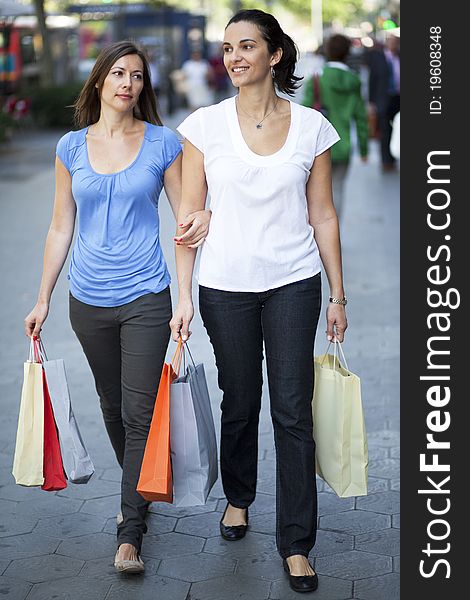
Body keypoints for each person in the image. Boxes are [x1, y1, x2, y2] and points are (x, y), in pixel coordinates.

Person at [170, 9, 348, 594]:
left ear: (274, 55)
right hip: (225, 286)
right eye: (228, 48)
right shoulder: (204, 126)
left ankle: (297, 544)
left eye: (247, 46)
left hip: (295, 282)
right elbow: (188, 218)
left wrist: (337, 294)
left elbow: (322, 213)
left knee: (293, 412)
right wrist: (185, 297)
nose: (234, 57)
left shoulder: (312, 128)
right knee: (240, 400)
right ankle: (239, 497)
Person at [23, 41, 211, 575]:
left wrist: (183, 296)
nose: (128, 83)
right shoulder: (71, 147)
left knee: (139, 411)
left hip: (147, 296)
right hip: (88, 301)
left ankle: (131, 527)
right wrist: (43, 299)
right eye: (119, 74)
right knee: (113, 408)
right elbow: (61, 226)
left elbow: (183, 225)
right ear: (100, 80)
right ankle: (141, 485)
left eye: (138, 76)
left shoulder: (161, 143)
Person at [302, 34, 368, 219]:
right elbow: (361, 118)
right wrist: (364, 149)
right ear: (347, 53)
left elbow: (305, 113)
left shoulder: (317, 79)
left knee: (314, 190)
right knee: (337, 188)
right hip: (344, 144)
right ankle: (333, 234)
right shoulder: (354, 81)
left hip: (317, 145)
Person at [366, 34, 400, 171]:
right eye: (390, 41)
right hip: (384, 99)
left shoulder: (400, 56)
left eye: (395, 42)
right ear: (386, 43)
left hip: (399, 97)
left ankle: (396, 155)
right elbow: (372, 80)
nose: (393, 44)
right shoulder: (378, 58)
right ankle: (387, 161)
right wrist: (371, 102)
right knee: (385, 130)